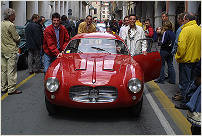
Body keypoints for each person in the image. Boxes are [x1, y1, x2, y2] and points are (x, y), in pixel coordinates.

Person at [174, 12, 201, 104]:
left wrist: (178, 57)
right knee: (193, 82)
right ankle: (192, 101)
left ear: (187, 20)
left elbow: (181, 47)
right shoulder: (199, 29)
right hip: (196, 60)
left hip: (186, 61)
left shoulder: (185, 29)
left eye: (184, 19)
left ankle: (185, 102)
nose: (183, 21)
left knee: (185, 82)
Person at [1, 8, 22, 95]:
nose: (15, 16)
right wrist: (19, 39)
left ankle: (3, 87)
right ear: (10, 16)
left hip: (3, 50)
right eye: (14, 15)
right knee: (11, 71)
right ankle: (11, 89)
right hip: (11, 50)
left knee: (3, 70)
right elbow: (16, 38)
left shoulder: (1, 24)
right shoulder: (10, 25)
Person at [171, 13, 185, 99]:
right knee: (189, 77)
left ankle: (182, 94)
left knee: (183, 76)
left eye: (178, 19)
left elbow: (177, 43)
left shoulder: (181, 29)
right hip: (194, 57)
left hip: (183, 57)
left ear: (181, 20)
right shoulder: (198, 28)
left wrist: (174, 53)